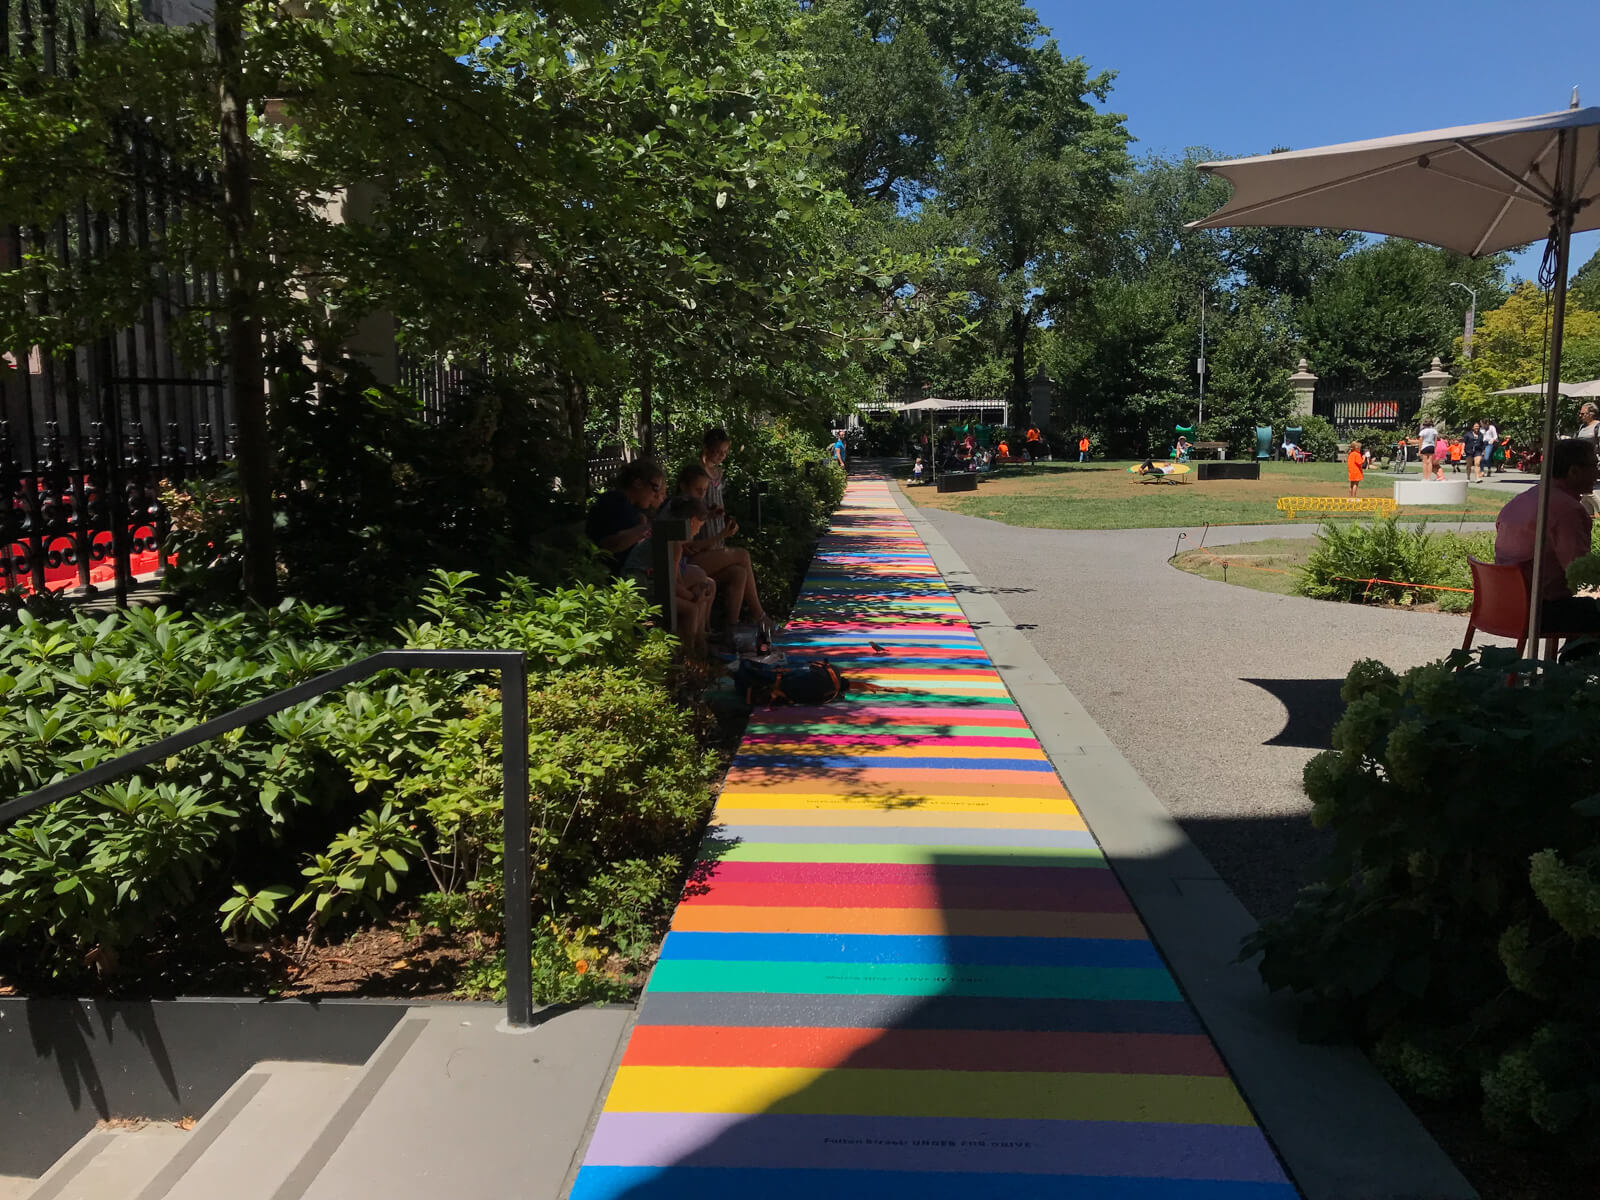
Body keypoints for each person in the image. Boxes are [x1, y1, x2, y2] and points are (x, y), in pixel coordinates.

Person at [1495, 438, 1600, 638]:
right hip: (1539, 610)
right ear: (1574, 471)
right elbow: (1579, 571)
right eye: (1594, 466)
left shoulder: (1524, 499)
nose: (1597, 473)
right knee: (1593, 609)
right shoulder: (1568, 510)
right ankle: (1574, 667)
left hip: (1500, 604)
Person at [586, 459, 663, 576]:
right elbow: (610, 544)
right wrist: (646, 529)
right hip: (608, 578)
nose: (656, 495)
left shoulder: (631, 507)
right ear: (638, 483)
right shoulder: (614, 502)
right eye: (655, 488)